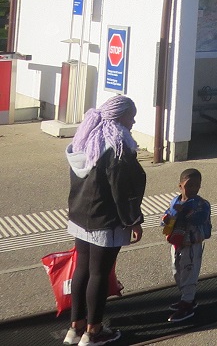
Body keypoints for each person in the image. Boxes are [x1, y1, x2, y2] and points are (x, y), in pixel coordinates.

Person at [63, 95, 146, 346]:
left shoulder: (84, 139)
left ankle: (75, 327)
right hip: (105, 220)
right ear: (120, 117)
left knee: (82, 269)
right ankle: (94, 331)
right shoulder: (117, 146)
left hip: (80, 215)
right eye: (131, 116)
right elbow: (123, 189)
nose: (133, 122)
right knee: (99, 273)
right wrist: (133, 220)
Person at [161, 167, 212, 322]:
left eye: (196, 185)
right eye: (189, 185)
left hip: (191, 243)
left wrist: (184, 211)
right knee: (177, 271)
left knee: (189, 271)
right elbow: (168, 215)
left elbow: (200, 218)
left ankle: (187, 302)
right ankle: (187, 297)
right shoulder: (175, 201)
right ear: (180, 186)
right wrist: (166, 219)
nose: (193, 188)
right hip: (176, 242)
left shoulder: (201, 204)